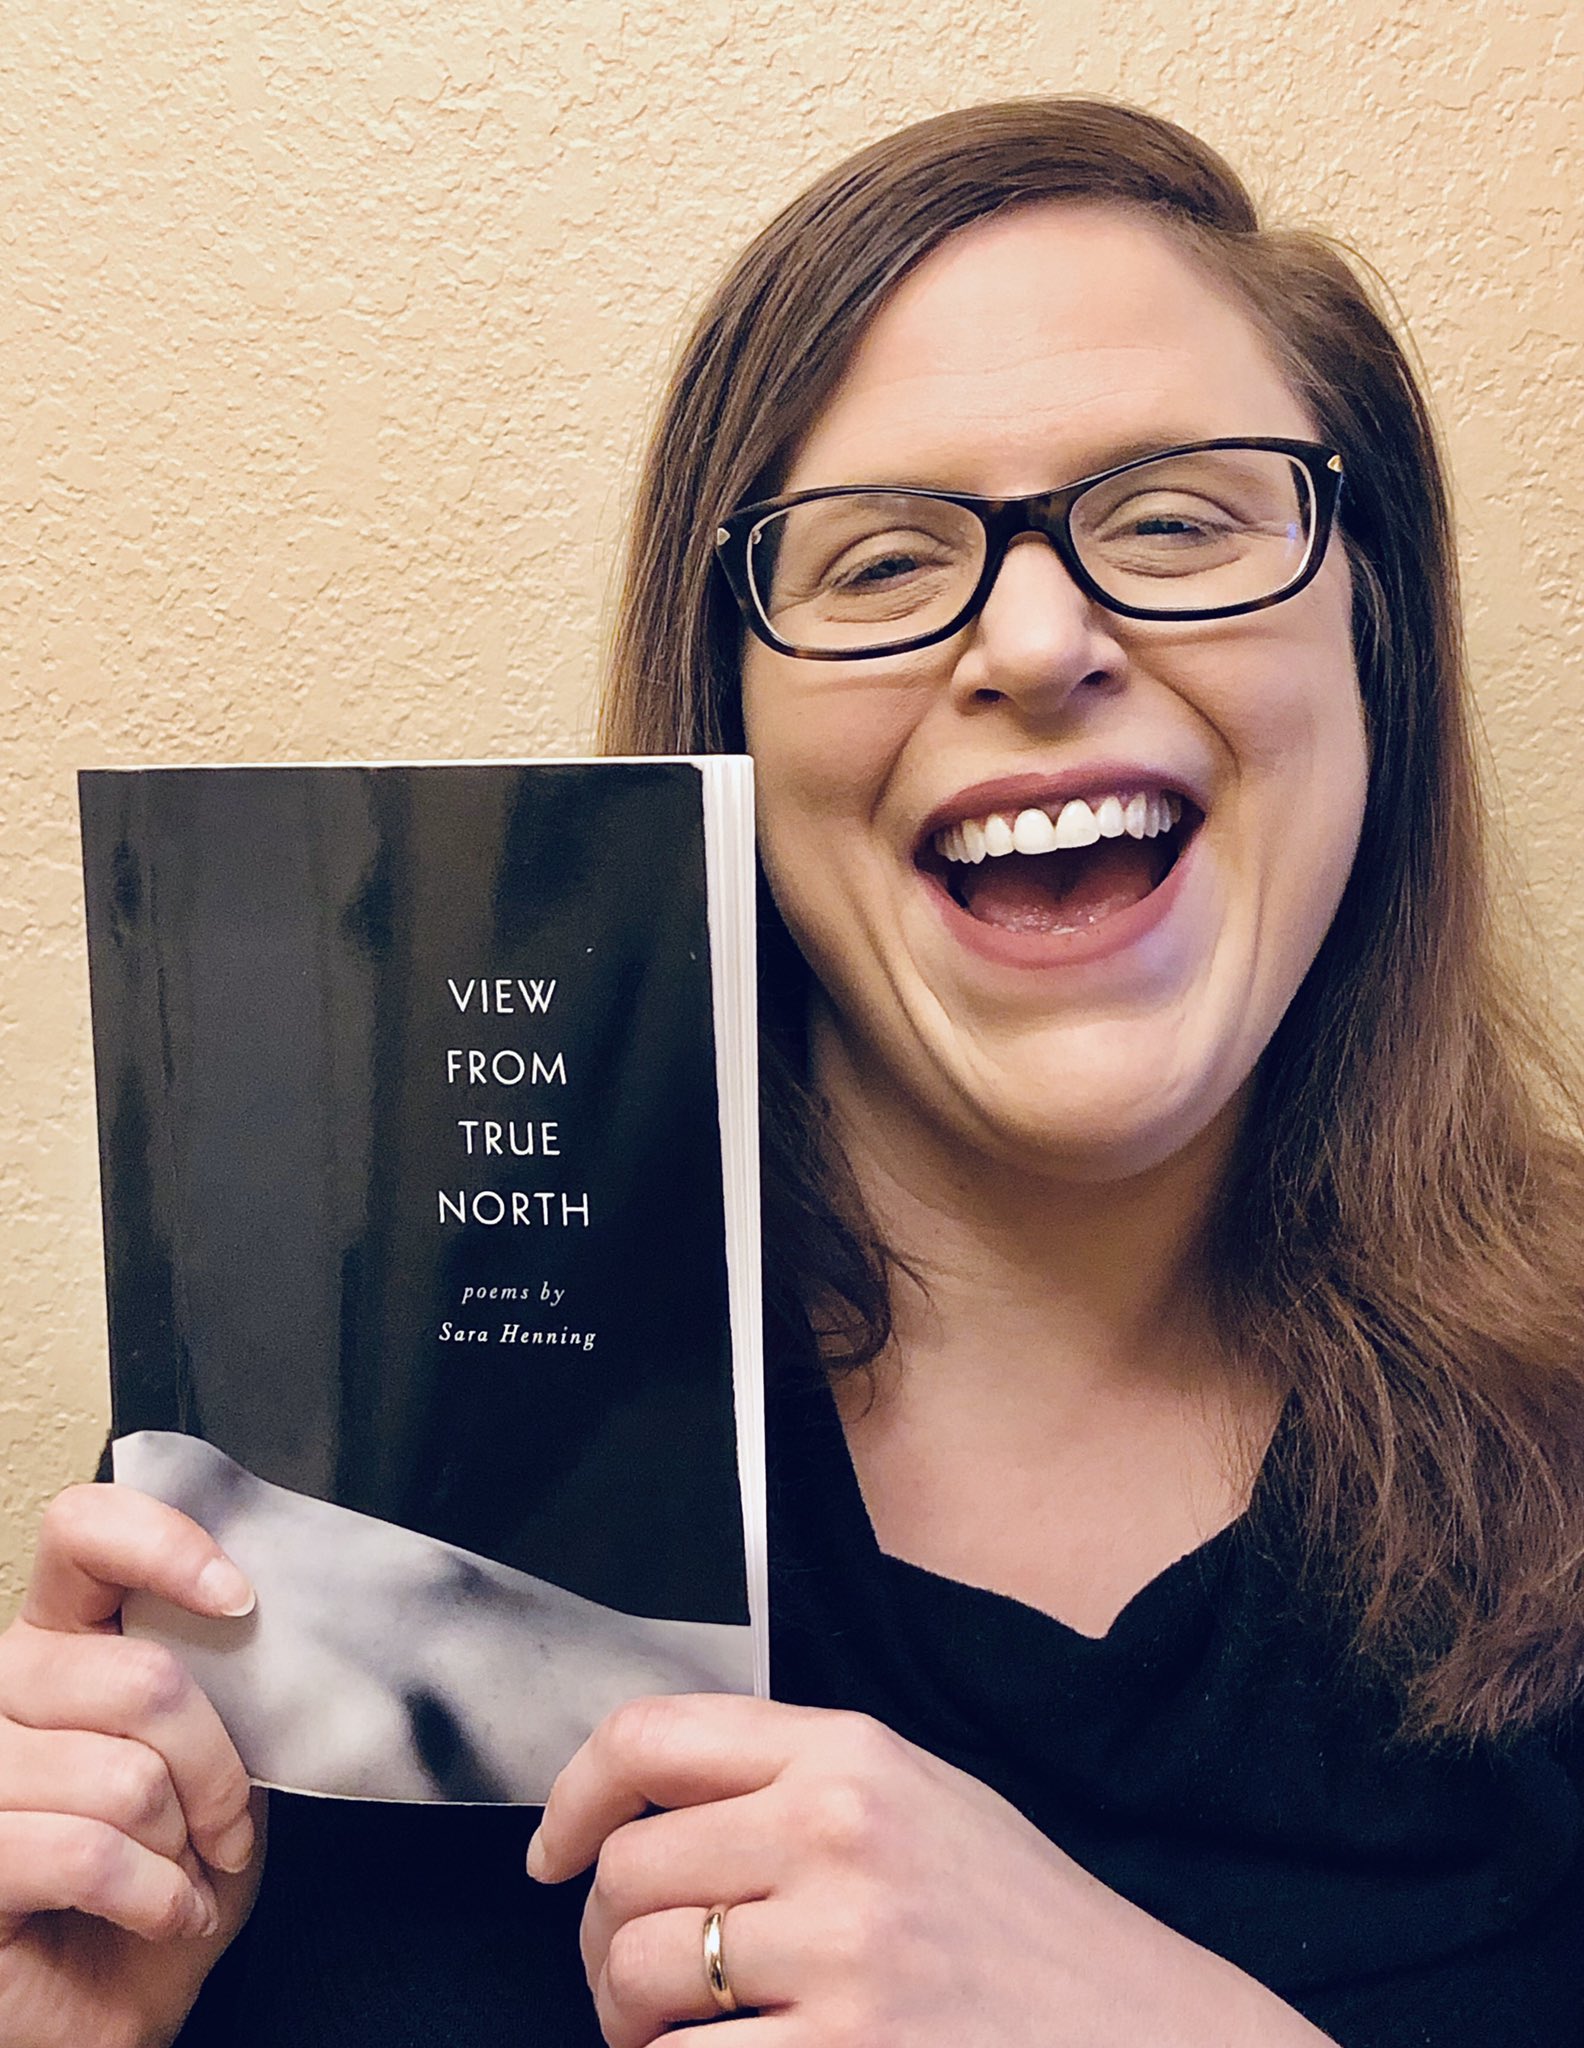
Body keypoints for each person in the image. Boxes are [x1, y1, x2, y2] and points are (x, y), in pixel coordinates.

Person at [3, 96, 1583, 2048]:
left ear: (1377, 639)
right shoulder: (341, 1479)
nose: (1037, 638)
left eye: (1178, 519)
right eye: (881, 562)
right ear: (730, 727)